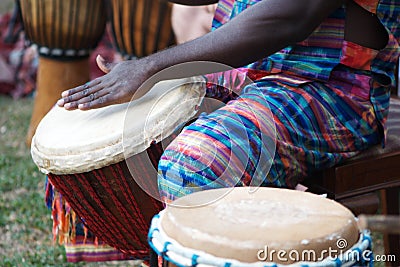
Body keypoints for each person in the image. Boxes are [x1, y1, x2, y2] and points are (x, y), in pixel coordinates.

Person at [57, 0, 399, 202]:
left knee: (194, 166)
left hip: (330, 94)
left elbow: (290, 16)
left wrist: (149, 68)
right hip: (240, 77)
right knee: (101, 143)